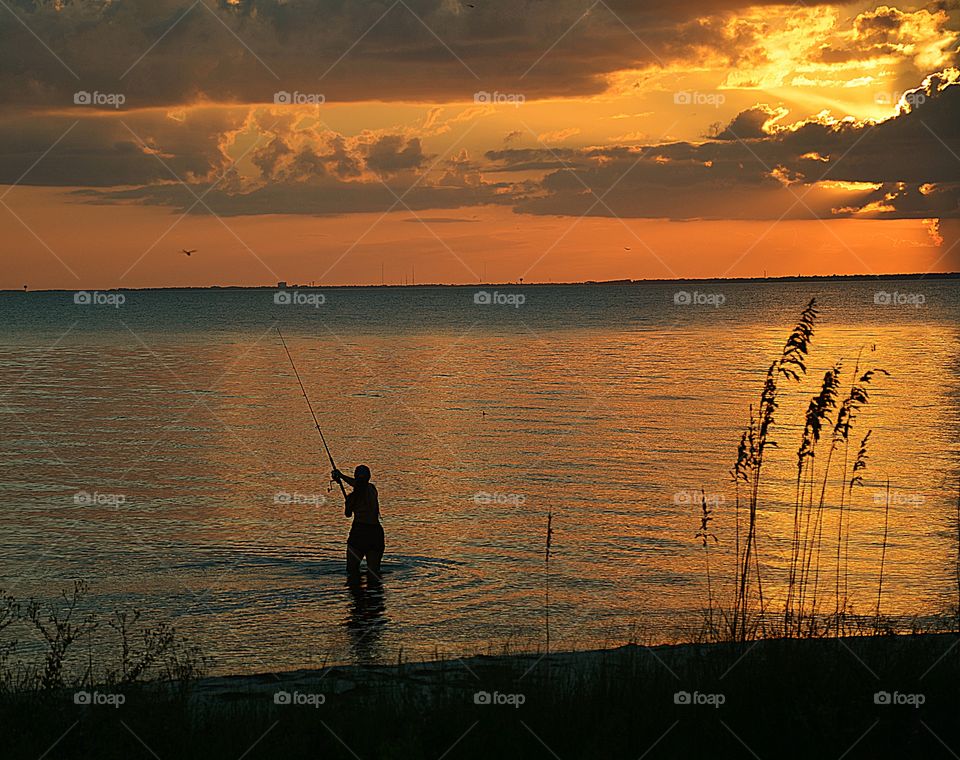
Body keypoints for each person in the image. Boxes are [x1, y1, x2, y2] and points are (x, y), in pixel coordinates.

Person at [332, 464, 384, 580]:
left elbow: (348, 514)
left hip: (359, 533)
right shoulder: (372, 490)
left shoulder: (352, 498)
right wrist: (341, 477)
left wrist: (341, 477)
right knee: (374, 572)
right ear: (369, 477)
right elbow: (360, 485)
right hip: (375, 533)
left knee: (352, 571)